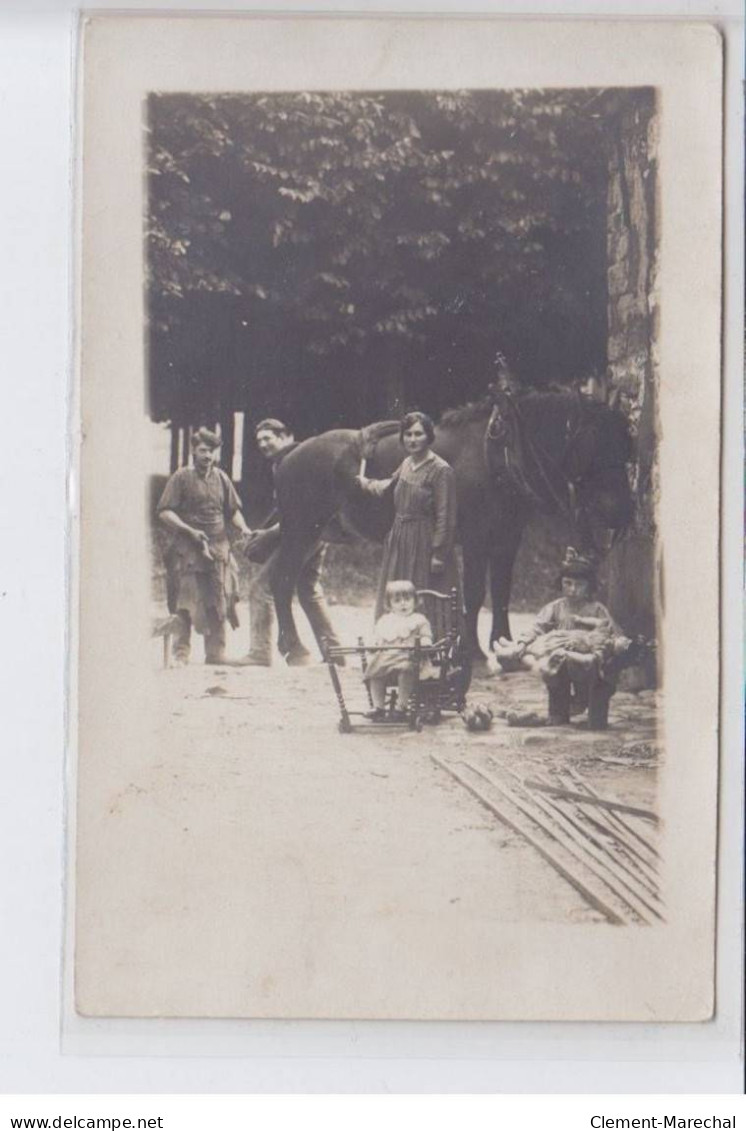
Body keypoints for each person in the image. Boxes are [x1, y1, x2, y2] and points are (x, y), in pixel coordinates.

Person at [241, 418, 341, 666]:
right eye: (259, 441)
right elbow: (286, 508)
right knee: (308, 589)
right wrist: (263, 530)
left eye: (268, 438)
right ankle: (334, 653)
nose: (263, 444)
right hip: (316, 533)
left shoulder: (296, 461)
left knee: (261, 586)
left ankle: (260, 652)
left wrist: (269, 535)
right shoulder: (282, 463)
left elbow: (304, 509)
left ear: (285, 435)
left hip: (307, 532)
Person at [494, 548, 630, 730]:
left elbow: (614, 634)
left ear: (589, 586)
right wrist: (523, 643)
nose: (573, 590)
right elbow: (538, 627)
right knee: (554, 669)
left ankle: (590, 708)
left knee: (597, 698)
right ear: (562, 583)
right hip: (563, 660)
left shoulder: (597, 610)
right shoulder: (556, 608)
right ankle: (559, 712)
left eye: (579, 585)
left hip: (589, 664)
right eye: (568, 583)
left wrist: (616, 645)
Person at [356, 410, 461, 640]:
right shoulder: (406, 463)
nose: (412, 440)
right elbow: (388, 486)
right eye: (408, 435)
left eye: (418, 434)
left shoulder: (441, 470)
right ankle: (395, 647)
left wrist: (439, 553)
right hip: (400, 538)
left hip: (425, 541)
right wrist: (366, 484)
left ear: (429, 437)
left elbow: (446, 516)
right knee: (397, 593)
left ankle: (429, 652)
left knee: (425, 595)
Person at [157, 427, 252, 665]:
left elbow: (233, 511)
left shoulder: (221, 478)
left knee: (219, 598)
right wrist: (189, 530)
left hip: (218, 549)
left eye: (211, 452)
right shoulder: (181, 477)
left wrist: (244, 528)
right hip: (188, 550)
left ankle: (216, 654)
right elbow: (164, 512)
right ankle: (181, 654)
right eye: (203, 451)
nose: (207, 456)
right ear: (193, 451)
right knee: (186, 601)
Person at [363, 580, 433, 720]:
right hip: (387, 658)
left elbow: (427, 637)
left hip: (411, 658)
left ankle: (401, 707)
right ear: (389, 605)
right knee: (375, 672)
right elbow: (378, 638)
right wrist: (374, 643)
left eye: (407, 599)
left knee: (406, 669)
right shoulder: (385, 621)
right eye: (397, 600)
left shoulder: (419, 620)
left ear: (415, 601)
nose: (403, 604)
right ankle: (379, 707)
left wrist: (425, 643)